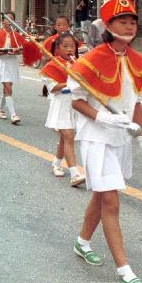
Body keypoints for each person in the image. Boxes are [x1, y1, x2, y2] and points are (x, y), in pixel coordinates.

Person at [68, 0, 142, 283]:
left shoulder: (138, 61)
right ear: (108, 25)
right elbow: (77, 100)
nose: (129, 26)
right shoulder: (91, 59)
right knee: (111, 202)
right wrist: (102, 118)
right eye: (122, 21)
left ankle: (82, 242)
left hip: (121, 139)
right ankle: (125, 271)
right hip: (96, 138)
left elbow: (137, 105)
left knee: (101, 196)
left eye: (133, 21)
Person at [41, 32, 86, 187]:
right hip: (61, 105)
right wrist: (70, 83)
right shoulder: (52, 66)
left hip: (76, 105)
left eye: (72, 46)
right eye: (65, 46)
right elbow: (52, 88)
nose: (69, 49)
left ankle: (56, 163)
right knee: (68, 137)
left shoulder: (80, 63)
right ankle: (74, 173)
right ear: (58, 48)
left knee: (65, 138)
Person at [0, 11, 40, 124]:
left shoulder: (17, 36)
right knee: (8, 88)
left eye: (12, 19)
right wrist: (5, 52)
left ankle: (0, 109)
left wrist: (17, 51)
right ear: (3, 21)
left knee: (8, 88)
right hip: (3, 63)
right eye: (7, 19)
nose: (9, 21)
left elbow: (21, 50)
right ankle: (13, 114)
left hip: (12, 63)